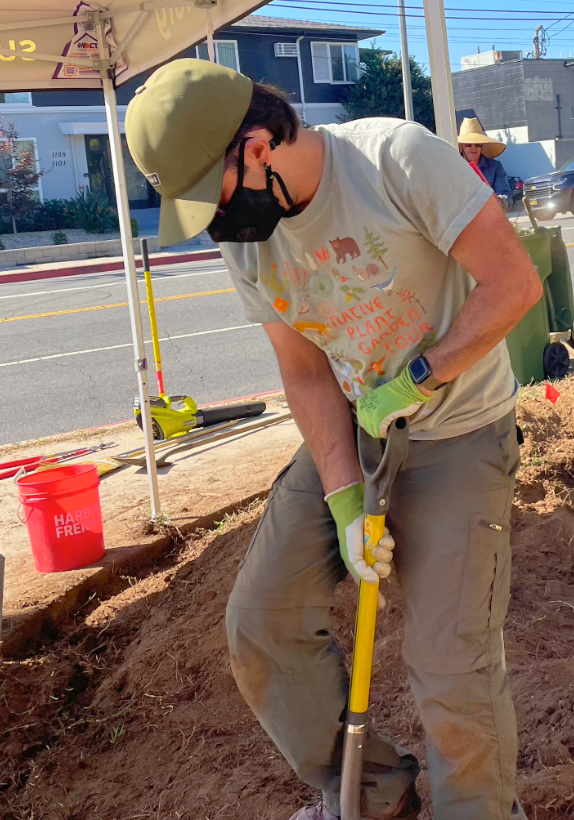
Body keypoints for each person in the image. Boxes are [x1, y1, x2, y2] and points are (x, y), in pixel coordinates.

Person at [126, 60, 542, 820]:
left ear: (256, 146)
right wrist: (347, 500)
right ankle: (376, 794)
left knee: (451, 666)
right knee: (262, 623)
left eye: (208, 196)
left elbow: (514, 285)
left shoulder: (395, 159)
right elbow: (307, 373)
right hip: (354, 423)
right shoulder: (247, 235)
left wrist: (420, 376)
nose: (214, 223)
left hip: (458, 431)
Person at [457, 117, 513, 212]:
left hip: (489, 217)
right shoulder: (454, 166)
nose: (473, 148)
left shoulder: (495, 167)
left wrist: (499, 201)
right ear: (462, 146)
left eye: (478, 144)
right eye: (468, 145)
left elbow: (506, 196)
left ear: (482, 146)